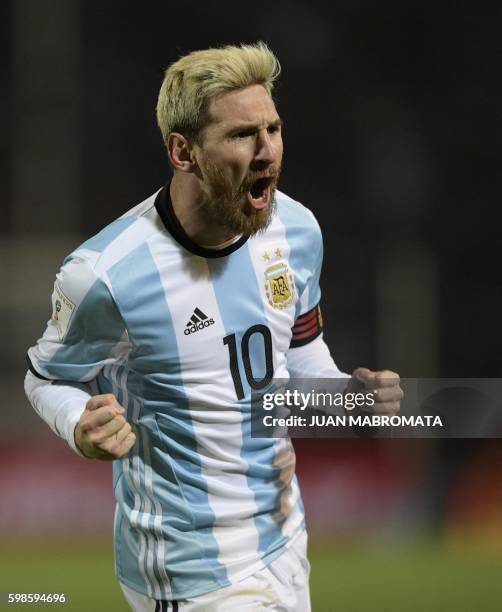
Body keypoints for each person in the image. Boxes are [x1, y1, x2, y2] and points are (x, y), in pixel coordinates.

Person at [24, 42, 402, 611]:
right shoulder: (105, 274)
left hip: (286, 542)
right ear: (183, 151)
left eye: (273, 129)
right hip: (189, 567)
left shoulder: (296, 231)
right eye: (242, 135)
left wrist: (347, 394)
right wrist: (80, 422)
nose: (267, 151)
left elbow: (297, 355)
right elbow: (44, 378)